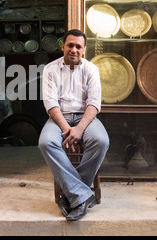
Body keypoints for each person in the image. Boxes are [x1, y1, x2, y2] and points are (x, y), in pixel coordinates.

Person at [38, 29, 109, 221]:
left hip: (85, 117)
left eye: (78, 46)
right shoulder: (50, 69)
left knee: (101, 141)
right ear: (63, 46)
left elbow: (94, 103)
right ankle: (82, 195)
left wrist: (79, 128)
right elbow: (50, 103)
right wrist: (65, 127)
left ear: (84, 50)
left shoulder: (91, 69)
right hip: (58, 117)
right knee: (45, 142)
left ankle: (74, 194)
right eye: (70, 45)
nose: (74, 49)